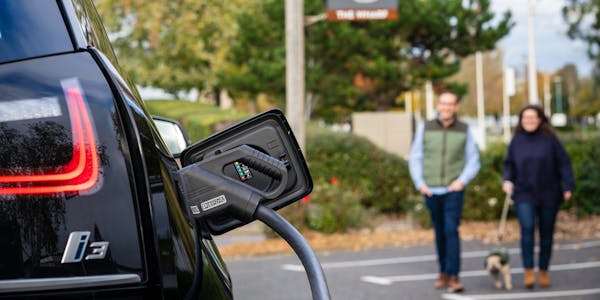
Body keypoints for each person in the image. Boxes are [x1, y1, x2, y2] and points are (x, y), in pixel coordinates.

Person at [409, 89, 480, 293]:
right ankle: (443, 272)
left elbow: (473, 160)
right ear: (438, 106)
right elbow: (416, 156)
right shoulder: (426, 127)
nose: (446, 108)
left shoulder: (464, 129)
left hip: (453, 190)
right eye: (443, 103)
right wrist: (419, 183)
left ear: (456, 107)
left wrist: (461, 181)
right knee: (440, 232)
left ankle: (454, 275)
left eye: (450, 104)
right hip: (430, 189)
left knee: (451, 230)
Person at [502, 104, 574, 289]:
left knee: (546, 233)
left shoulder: (550, 140)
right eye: (525, 117)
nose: (529, 121)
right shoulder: (516, 140)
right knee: (527, 229)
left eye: (533, 117)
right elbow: (509, 163)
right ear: (521, 120)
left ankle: (543, 270)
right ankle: (528, 270)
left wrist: (568, 185)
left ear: (540, 119)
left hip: (549, 192)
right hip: (524, 193)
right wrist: (507, 180)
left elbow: (564, 163)